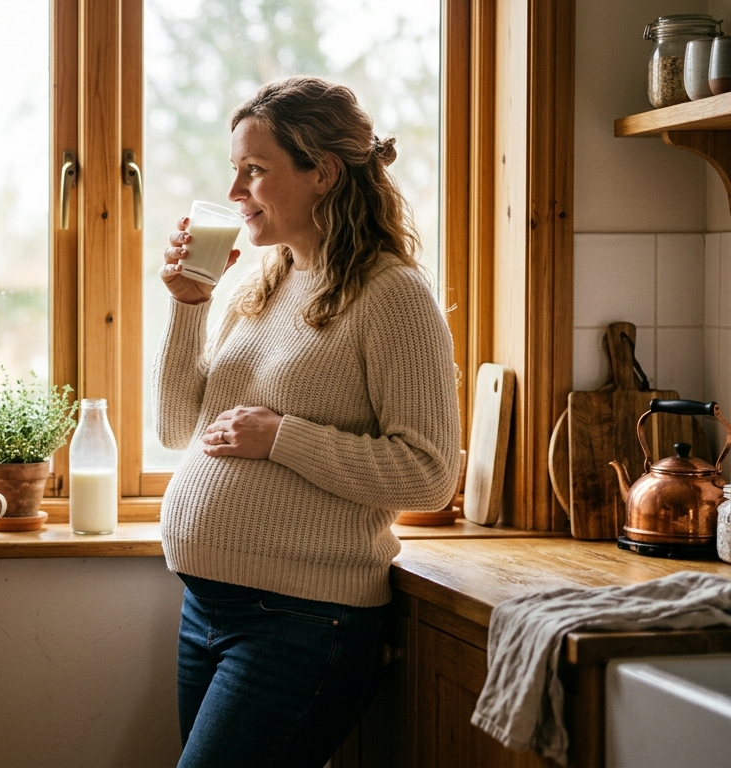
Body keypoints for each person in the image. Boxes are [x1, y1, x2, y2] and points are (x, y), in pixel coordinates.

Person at [154, 75, 460, 767]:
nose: (235, 193)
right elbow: (177, 429)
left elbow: (430, 474)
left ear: (321, 172)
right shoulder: (261, 282)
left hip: (302, 624)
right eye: (235, 170)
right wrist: (188, 304)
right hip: (207, 611)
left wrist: (282, 438)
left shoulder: (394, 296)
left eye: (254, 171)